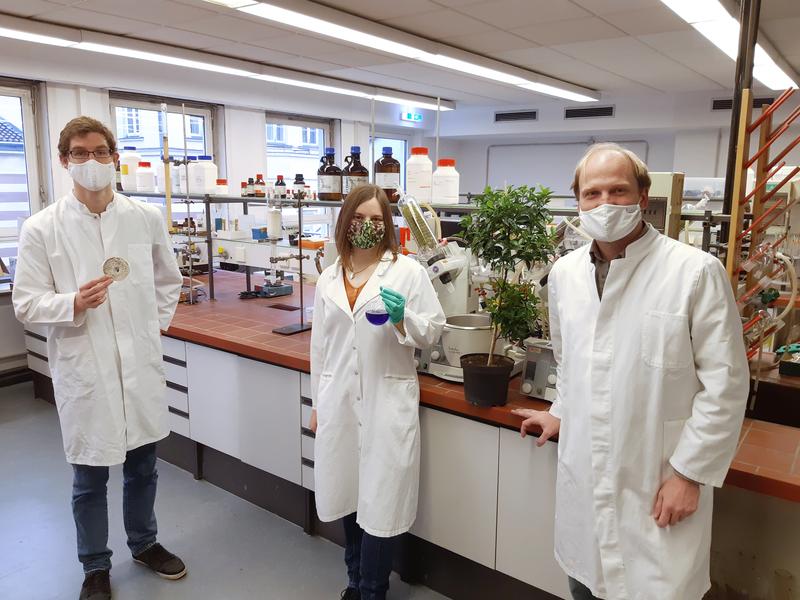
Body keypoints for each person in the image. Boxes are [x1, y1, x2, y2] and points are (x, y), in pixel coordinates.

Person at [513, 143, 749, 600]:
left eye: (618, 190)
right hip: (586, 481)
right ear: (578, 201)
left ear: (643, 196)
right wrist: (561, 410)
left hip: (657, 485)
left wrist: (689, 474)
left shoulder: (695, 272)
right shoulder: (565, 274)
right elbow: (571, 360)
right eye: (592, 193)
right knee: (586, 584)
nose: (604, 204)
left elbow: (726, 385)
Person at [12, 117, 185, 600]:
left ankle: (145, 542)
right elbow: (26, 301)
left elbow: (167, 281)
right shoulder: (41, 228)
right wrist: (72, 303)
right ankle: (95, 565)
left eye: (101, 152)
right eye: (81, 153)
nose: (93, 161)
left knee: (143, 467)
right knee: (89, 477)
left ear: (115, 158)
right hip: (85, 369)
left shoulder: (143, 217)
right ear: (64, 160)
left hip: (139, 365)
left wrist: (151, 329)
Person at [309, 184, 445, 600]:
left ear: (387, 226)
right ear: (345, 222)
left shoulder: (407, 272)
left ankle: (373, 589)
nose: (367, 226)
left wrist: (404, 320)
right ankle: (353, 581)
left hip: (387, 402)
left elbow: (433, 332)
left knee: (380, 503)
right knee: (349, 493)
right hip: (340, 402)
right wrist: (318, 403)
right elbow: (320, 347)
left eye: (376, 219)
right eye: (358, 217)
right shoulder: (329, 277)